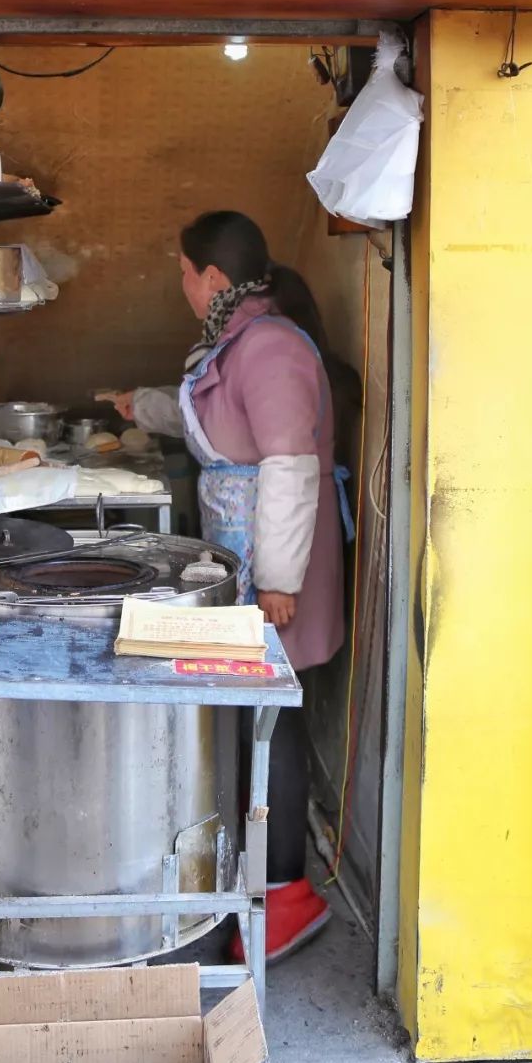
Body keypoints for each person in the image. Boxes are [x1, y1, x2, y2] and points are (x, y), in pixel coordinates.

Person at [106, 211, 350, 962]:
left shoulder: (271, 346)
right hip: (244, 558)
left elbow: (286, 465)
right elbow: (209, 419)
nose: (180, 285)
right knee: (255, 715)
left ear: (212, 277)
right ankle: (254, 880)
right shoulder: (239, 343)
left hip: (275, 569)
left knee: (272, 718)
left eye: (182, 270)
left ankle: (286, 896)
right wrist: (136, 405)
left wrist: (277, 582)